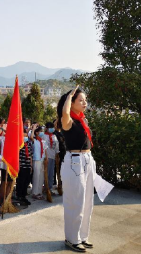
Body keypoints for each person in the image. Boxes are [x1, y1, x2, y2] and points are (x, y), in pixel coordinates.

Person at [57, 86, 95, 252]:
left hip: (87, 159)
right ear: (71, 104)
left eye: (85, 100)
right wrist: (69, 95)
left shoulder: (82, 120)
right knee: (75, 202)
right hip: (74, 162)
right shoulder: (67, 121)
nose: (85, 102)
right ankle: (72, 239)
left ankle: (82, 237)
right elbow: (64, 113)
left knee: (87, 202)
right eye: (80, 100)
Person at [16, 131, 33, 205]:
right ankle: (19, 196)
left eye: (26, 136)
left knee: (26, 181)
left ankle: (24, 195)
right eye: (24, 136)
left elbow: (30, 155)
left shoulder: (28, 144)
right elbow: (18, 156)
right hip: (21, 166)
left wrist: (31, 165)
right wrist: (18, 166)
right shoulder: (19, 145)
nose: (25, 137)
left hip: (28, 165)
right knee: (21, 181)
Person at [31, 125, 48, 200]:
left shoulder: (43, 141)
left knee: (41, 176)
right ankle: (35, 192)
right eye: (40, 131)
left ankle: (39, 192)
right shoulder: (35, 140)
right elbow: (31, 137)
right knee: (36, 176)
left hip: (42, 159)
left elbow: (45, 150)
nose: (42, 133)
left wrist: (46, 158)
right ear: (37, 133)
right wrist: (34, 129)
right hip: (37, 159)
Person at [44, 122, 59, 193]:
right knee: (45, 173)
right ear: (46, 128)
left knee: (51, 173)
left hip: (53, 156)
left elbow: (56, 147)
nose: (52, 129)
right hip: (45, 157)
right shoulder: (43, 135)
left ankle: (49, 188)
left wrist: (57, 155)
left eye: (52, 127)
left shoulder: (54, 136)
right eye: (50, 127)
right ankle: (45, 187)